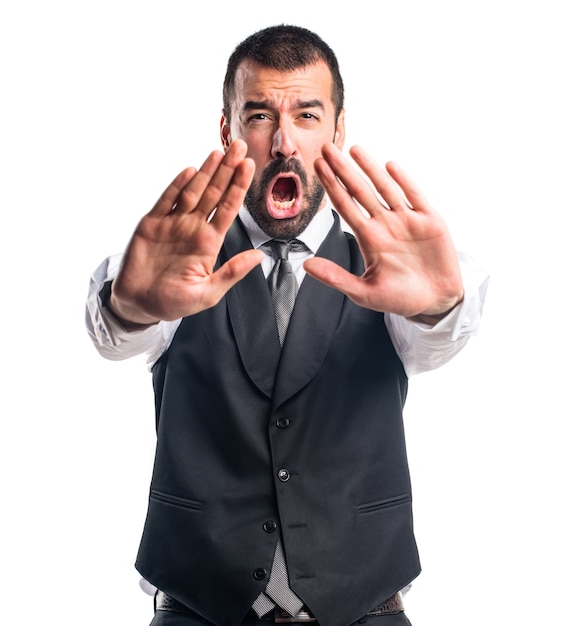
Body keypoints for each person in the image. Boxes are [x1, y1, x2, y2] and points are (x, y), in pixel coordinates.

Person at [86, 24, 488, 626]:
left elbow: (437, 342)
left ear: (338, 129)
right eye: (257, 116)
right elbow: (117, 334)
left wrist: (439, 305)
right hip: (197, 608)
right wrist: (131, 305)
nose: (283, 143)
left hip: (365, 610)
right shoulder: (176, 267)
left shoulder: (387, 271)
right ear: (226, 129)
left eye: (306, 114)